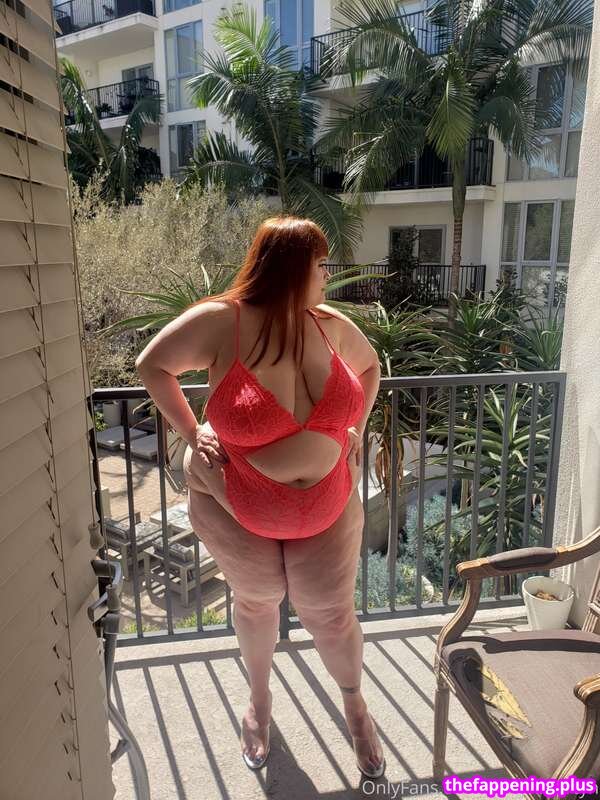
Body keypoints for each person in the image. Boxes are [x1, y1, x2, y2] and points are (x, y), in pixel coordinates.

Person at [135, 215, 385, 778]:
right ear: (291, 268)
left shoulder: (332, 325)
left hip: (328, 505)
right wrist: (190, 431)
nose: (327, 276)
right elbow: (153, 365)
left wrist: (357, 425)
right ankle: (259, 701)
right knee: (257, 601)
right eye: (320, 266)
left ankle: (355, 706)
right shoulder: (223, 322)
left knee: (332, 614)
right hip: (238, 504)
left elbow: (370, 368)